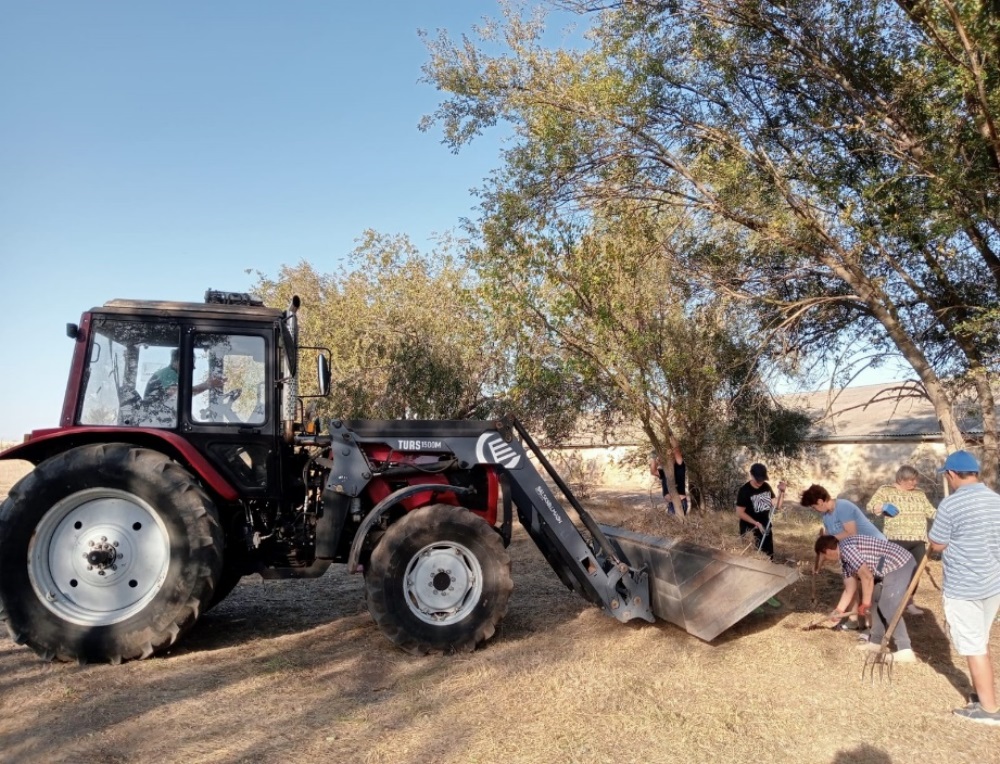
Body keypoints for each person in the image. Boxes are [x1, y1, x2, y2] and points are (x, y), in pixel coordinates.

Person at [927, 450, 1000, 725]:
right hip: (993, 584)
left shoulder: (951, 505)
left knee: (973, 646)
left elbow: (937, 544)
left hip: (965, 587)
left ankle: (990, 710)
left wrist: (934, 538)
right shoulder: (996, 501)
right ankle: (985, 696)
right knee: (979, 641)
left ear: (952, 474)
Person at [814, 534, 917, 663]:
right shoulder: (845, 560)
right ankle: (875, 642)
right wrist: (838, 611)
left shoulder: (847, 550)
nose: (827, 561)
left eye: (825, 558)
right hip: (885, 570)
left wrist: (865, 603)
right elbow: (849, 589)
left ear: (827, 551)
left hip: (900, 563)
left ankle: (905, 650)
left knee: (887, 604)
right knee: (875, 600)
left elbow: (867, 576)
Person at [801, 484, 885, 633]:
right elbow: (827, 545)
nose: (815, 510)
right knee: (849, 586)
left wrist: (829, 538)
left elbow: (851, 533)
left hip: (875, 551)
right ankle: (853, 622)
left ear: (820, 501)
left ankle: (870, 628)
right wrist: (818, 566)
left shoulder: (843, 507)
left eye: (814, 506)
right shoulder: (826, 517)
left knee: (869, 586)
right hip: (852, 552)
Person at [867, 465, 937, 615]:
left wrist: (946, 516)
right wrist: (883, 506)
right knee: (889, 573)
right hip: (895, 540)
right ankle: (882, 602)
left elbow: (930, 511)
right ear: (900, 479)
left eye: (915, 480)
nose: (914, 483)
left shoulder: (919, 493)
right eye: (910, 480)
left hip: (918, 540)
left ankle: (908, 602)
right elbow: (870, 507)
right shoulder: (886, 490)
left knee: (915, 573)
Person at [143, 349, 224, 409]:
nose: (194, 367)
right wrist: (207, 385)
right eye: (191, 363)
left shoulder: (170, 374)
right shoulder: (168, 374)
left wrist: (207, 385)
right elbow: (179, 394)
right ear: (177, 362)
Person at [736, 463, 785, 559]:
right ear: (751, 475)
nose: (760, 481)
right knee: (752, 559)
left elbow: (777, 505)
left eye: (762, 479)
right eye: (758, 479)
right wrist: (756, 523)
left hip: (765, 528)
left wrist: (782, 492)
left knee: (767, 558)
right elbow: (739, 513)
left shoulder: (766, 487)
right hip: (750, 531)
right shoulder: (744, 491)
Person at [650, 436, 688, 515]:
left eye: (671, 454)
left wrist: (672, 440)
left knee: (678, 524)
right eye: (667, 455)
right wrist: (654, 456)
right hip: (671, 504)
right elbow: (653, 471)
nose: (669, 456)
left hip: (679, 503)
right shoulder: (665, 471)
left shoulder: (679, 466)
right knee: (674, 525)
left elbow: (677, 452)